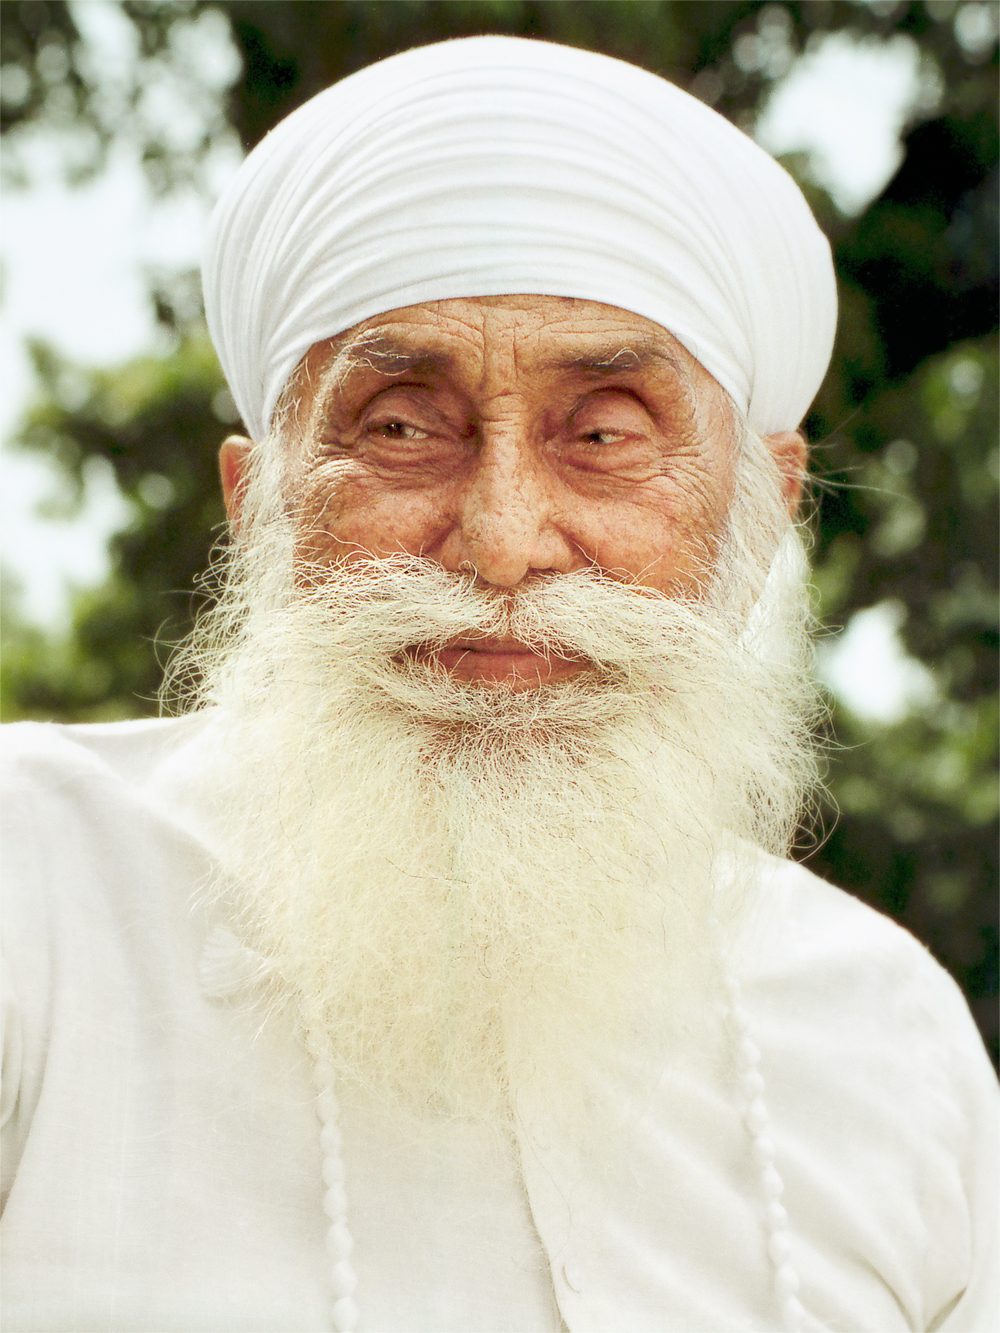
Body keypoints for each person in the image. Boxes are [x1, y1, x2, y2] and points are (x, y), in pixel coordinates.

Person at [1, 36, 996, 1333]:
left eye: (605, 434)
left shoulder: (889, 1035)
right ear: (259, 510)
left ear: (761, 518)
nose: (503, 540)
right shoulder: (36, 889)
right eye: (402, 427)